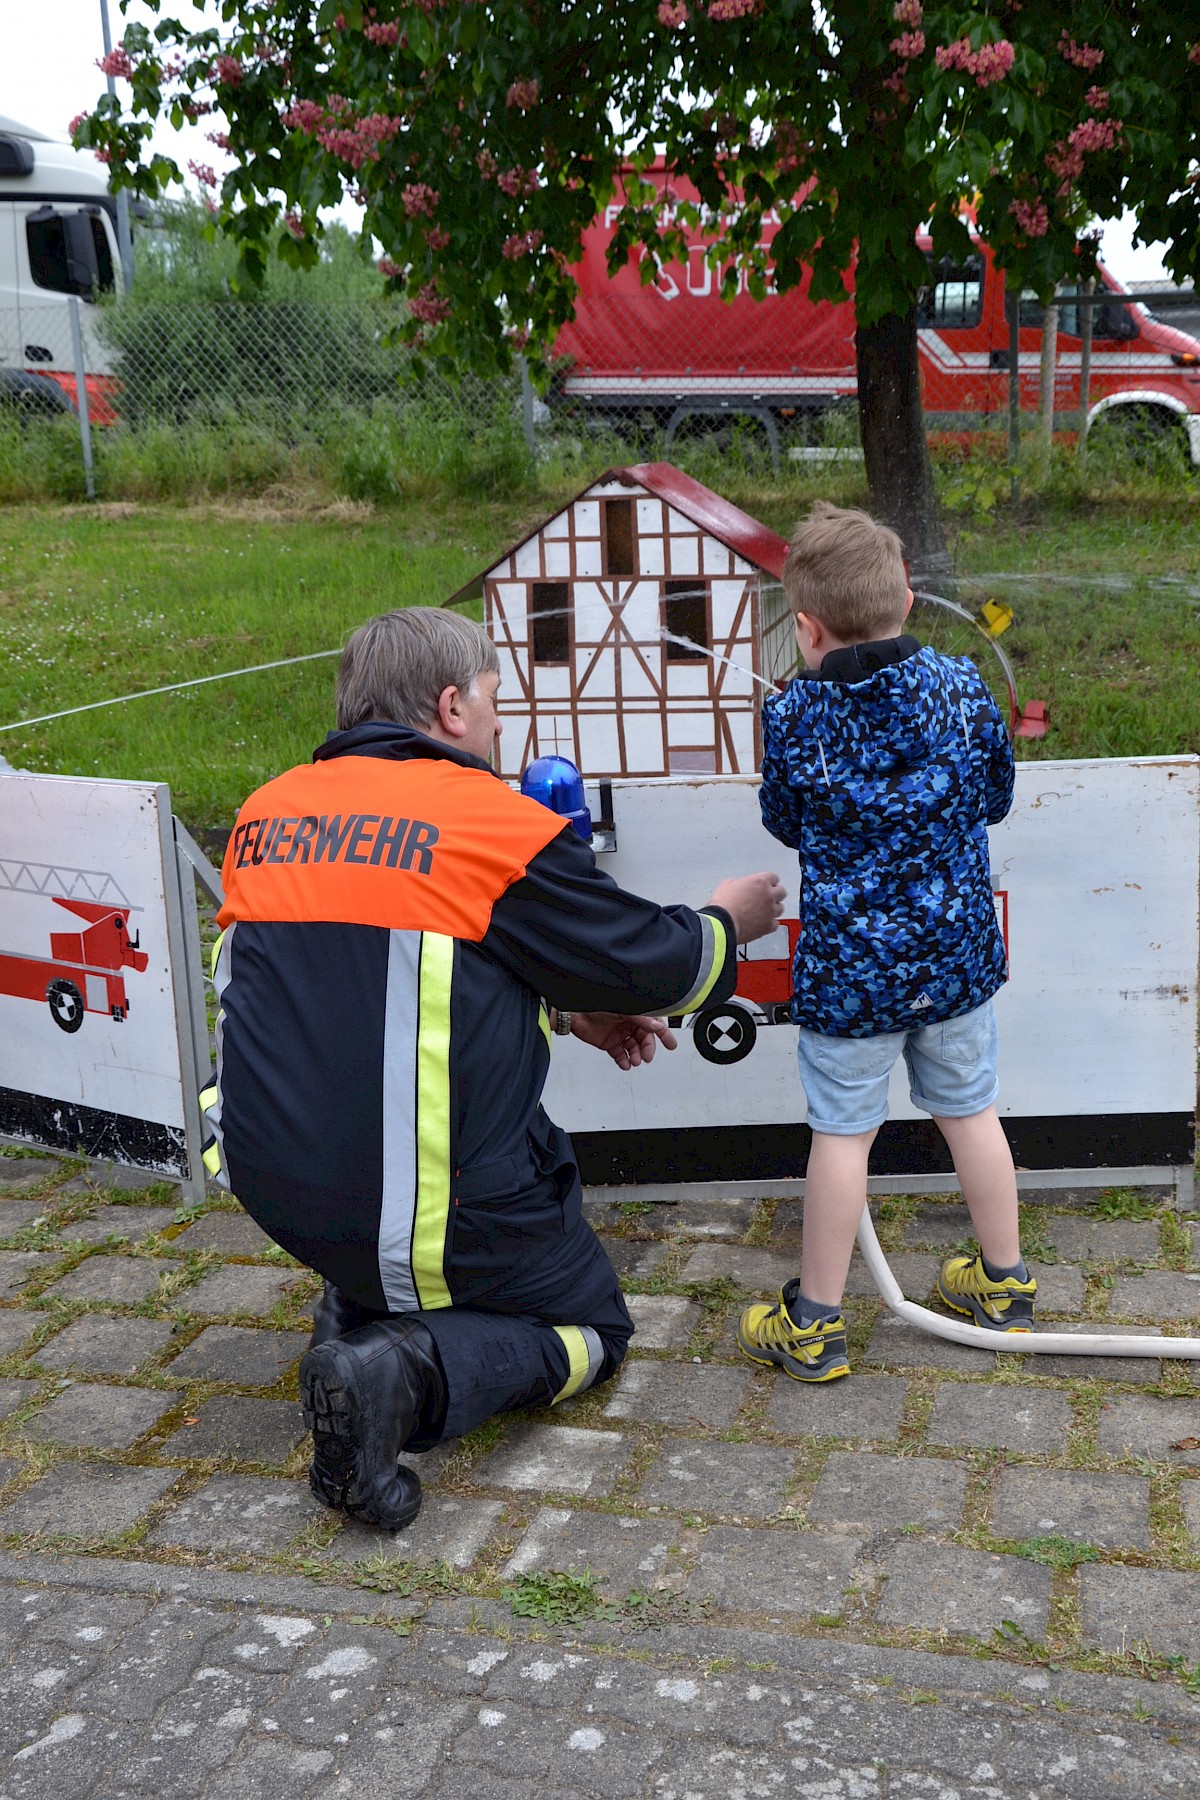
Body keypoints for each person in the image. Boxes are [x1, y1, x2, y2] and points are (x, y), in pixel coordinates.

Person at [202, 607, 785, 1528]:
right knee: (591, 1333)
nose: (503, 725)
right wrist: (725, 921)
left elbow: (380, 979)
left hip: (274, 1185)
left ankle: (364, 1302)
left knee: (408, 1216)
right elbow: (653, 965)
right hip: (417, 1204)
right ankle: (400, 1369)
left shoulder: (268, 810)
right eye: (495, 701)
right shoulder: (488, 824)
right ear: (450, 707)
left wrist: (561, 1007)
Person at [737, 502, 1034, 1385]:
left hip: (849, 978)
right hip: (954, 960)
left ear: (806, 630)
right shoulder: (962, 686)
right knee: (972, 1112)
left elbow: (783, 820)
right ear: (907, 597)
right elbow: (994, 797)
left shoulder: (794, 716)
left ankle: (816, 1326)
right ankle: (1005, 1285)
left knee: (841, 1136)